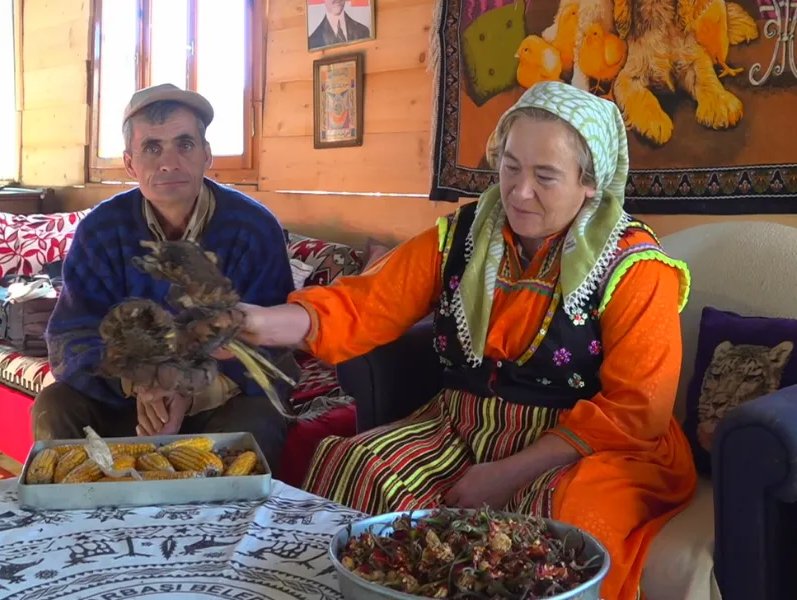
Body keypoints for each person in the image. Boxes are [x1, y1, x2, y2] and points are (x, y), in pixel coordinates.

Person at [231, 82, 697, 600]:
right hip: (462, 422)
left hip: (585, 447)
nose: (520, 192)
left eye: (545, 176)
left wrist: (503, 475)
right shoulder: (464, 234)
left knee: (562, 524)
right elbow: (369, 303)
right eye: (511, 167)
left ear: (590, 184)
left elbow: (637, 411)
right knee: (355, 464)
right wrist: (258, 323)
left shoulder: (635, 267)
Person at [33, 83, 298, 476]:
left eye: (185, 144)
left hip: (220, 400)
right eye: (152, 148)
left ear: (206, 155)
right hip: (129, 400)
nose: (169, 162)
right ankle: (78, 531)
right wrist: (140, 383)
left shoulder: (254, 228)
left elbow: (273, 342)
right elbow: (69, 338)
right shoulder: (101, 230)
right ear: (129, 163)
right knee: (54, 404)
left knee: (260, 420)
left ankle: (225, 534)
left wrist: (189, 391)